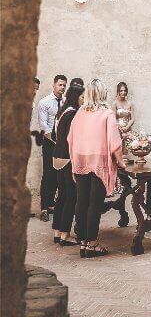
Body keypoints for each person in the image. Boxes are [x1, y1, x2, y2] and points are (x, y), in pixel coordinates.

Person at [68, 78, 124, 258]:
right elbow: (115, 143)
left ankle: (83, 242)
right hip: (99, 163)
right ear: (102, 93)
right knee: (94, 204)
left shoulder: (79, 113)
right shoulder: (107, 114)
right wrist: (121, 161)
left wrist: (74, 157)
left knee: (81, 201)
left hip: (80, 161)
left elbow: (70, 138)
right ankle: (92, 244)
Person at [52, 81, 85, 246]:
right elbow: (72, 140)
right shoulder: (72, 114)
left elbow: (53, 134)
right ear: (76, 97)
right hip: (67, 159)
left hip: (57, 157)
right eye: (82, 97)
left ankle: (57, 232)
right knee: (71, 196)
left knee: (61, 196)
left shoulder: (61, 111)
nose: (83, 100)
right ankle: (65, 235)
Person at [38, 74, 67, 221]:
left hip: (62, 144)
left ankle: (51, 204)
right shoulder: (44, 102)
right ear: (54, 85)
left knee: (58, 174)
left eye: (64, 85)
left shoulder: (66, 102)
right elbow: (44, 127)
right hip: (50, 143)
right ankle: (44, 207)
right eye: (60, 85)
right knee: (48, 174)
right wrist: (56, 142)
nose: (62, 87)